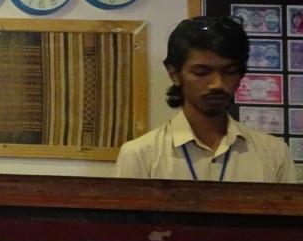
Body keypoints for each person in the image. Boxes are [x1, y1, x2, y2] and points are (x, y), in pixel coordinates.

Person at [114, 16, 292, 182]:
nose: (218, 84)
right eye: (202, 72)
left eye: (230, 72)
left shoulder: (274, 153)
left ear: (241, 75)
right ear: (174, 74)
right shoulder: (140, 155)